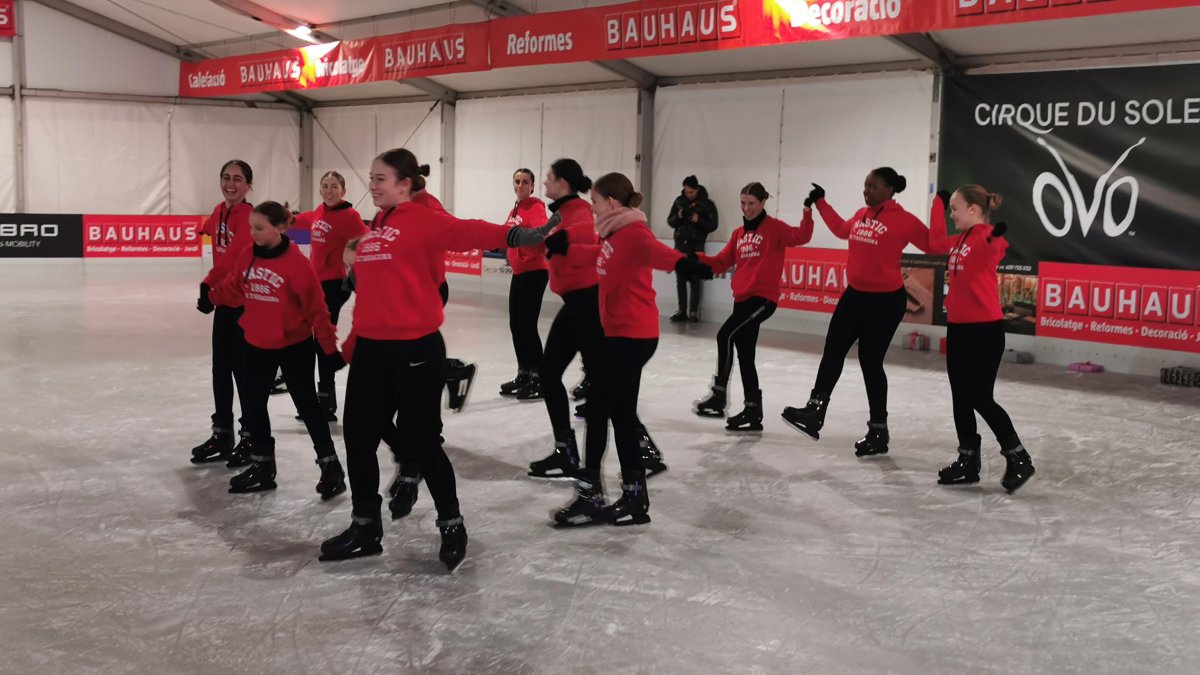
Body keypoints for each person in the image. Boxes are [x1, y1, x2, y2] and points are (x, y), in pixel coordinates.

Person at [318, 148, 545, 570]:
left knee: (422, 442)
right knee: (359, 439)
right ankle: (365, 527)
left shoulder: (421, 218)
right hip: (371, 351)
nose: (372, 184)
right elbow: (369, 294)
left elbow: (470, 230)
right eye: (372, 177)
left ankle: (452, 524)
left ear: (404, 184)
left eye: (381, 178)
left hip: (415, 349)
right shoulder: (377, 226)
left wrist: (518, 236)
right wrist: (347, 348)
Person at [549, 173, 706, 527]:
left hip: (633, 336)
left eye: (595, 201)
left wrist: (685, 263)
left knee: (598, 410)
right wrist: (568, 248)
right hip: (621, 333)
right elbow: (599, 254)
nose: (592, 207)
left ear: (611, 202)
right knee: (620, 414)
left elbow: (658, 253)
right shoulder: (612, 234)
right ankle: (634, 497)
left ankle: (591, 497)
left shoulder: (633, 232)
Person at [526, 159, 665, 481]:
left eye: (549, 177)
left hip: (588, 306)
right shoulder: (562, 212)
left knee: (606, 390)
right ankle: (567, 449)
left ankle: (640, 451)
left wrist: (566, 241)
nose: (544, 182)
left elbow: (593, 240)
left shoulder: (577, 212)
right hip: (576, 305)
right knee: (554, 373)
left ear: (563, 182)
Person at [781, 168, 934, 457]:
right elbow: (841, 229)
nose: (866, 190)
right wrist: (821, 202)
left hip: (885, 302)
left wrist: (939, 207)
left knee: (870, 362)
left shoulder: (903, 220)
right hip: (855, 296)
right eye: (865, 185)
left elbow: (933, 243)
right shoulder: (862, 214)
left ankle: (878, 430)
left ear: (888, 190)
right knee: (833, 350)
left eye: (873, 186)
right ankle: (815, 411)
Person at [207, 202, 347, 498]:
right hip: (256, 343)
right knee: (254, 404)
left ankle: (330, 466)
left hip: (293, 346)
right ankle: (263, 465)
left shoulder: (297, 264)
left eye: (259, 228)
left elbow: (317, 309)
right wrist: (213, 297)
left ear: (280, 228)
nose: (253, 233)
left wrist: (328, 348)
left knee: (307, 405)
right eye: (251, 227)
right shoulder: (248, 254)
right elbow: (235, 285)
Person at [928, 186, 1035, 493]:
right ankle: (967, 461)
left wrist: (993, 237)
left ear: (973, 209)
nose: (952, 214)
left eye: (955, 208)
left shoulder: (987, 237)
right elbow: (935, 242)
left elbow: (994, 247)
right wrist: (937, 205)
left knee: (979, 396)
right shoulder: (959, 240)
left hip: (984, 331)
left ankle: (1018, 457)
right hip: (959, 329)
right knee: (960, 396)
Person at [693, 182, 812, 432]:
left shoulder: (775, 228)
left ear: (763, 203)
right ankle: (753, 411)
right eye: (743, 203)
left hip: (763, 299)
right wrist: (697, 259)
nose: (747, 208)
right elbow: (722, 261)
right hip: (742, 300)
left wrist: (807, 211)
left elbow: (801, 236)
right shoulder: (739, 234)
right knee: (745, 355)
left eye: (751, 203)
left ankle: (719, 395)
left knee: (725, 335)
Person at [191, 160, 254, 467]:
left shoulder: (250, 217)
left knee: (243, 372)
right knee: (220, 369)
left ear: (248, 186)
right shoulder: (218, 212)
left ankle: (250, 436)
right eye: (226, 177)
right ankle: (222, 433)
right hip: (224, 304)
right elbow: (210, 232)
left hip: (245, 304)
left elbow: (231, 259)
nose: (231, 184)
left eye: (238, 179)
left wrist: (207, 286)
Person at [291, 171, 367, 421]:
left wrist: (355, 266)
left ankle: (326, 400)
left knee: (322, 341)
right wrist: (280, 216)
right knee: (314, 340)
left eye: (334, 186)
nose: (329, 190)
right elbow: (298, 220)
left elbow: (365, 238)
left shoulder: (349, 215)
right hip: (317, 284)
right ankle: (323, 398)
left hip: (335, 285)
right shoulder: (319, 212)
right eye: (325, 186)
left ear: (343, 191)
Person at [499, 168, 550, 400]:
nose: (520, 186)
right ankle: (524, 372)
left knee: (527, 325)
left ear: (532, 186)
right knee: (516, 324)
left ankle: (540, 378)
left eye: (525, 182)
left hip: (534, 271)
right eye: (517, 181)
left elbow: (541, 234)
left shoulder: (536, 207)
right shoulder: (515, 210)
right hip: (519, 272)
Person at [667, 175, 719, 322]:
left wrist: (699, 220)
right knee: (680, 279)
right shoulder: (679, 202)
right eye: (686, 191)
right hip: (680, 244)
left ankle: (693, 312)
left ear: (697, 189)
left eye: (691, 192)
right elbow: (670, 221)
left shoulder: (707, 204)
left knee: (695, 278)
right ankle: (682, 310)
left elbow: (713, 225)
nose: (688, 194)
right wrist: (678, 216)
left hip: (696, 244)